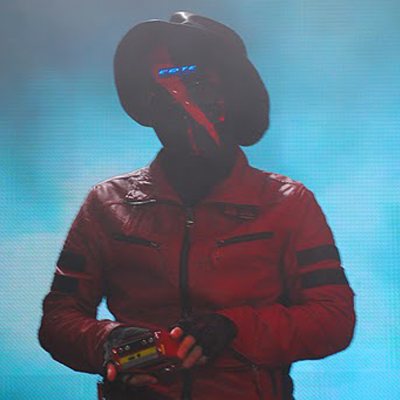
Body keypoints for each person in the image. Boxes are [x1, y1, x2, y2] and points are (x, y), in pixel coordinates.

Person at [39, 11, 356, 400]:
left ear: (232, 94)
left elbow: (333, 318)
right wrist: (110, 341)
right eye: (159, 91)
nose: (178, 100)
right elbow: (59, 318)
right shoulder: (107, 203)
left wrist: (233, 329)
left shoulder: (288, 203)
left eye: (196, 83)